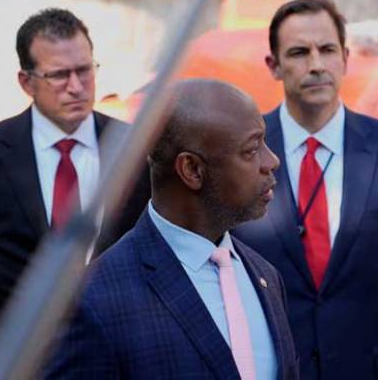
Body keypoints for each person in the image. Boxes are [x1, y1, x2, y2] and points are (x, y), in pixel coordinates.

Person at [234, 0, 378, 379]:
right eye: (299, 52)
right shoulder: (241, 153)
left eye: (327, 50)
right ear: (274, 65)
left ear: (346, 58)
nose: (316, 65)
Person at [46, 79, 299, 379]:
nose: (271, 161)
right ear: (192, 170)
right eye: (251, 149)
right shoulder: (93, 300)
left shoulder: (265, 276)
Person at [0, 8, 150, 318]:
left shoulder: (136, 148)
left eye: (84, 70)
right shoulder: (0, 149)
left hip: (114, 337)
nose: (76, 87)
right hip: (15, 349)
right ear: (26, 83)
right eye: (58, 75)